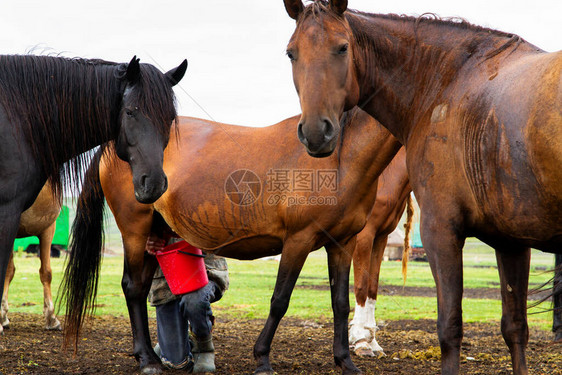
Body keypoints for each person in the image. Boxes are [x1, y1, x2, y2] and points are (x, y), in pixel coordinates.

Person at [146, 232, 229, 372]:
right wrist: (144, 241)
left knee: (194, 300)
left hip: (203, 270)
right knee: (177, 364)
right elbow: (131, 225)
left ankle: (204, 348)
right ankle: (173, 343)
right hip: (165, 278)